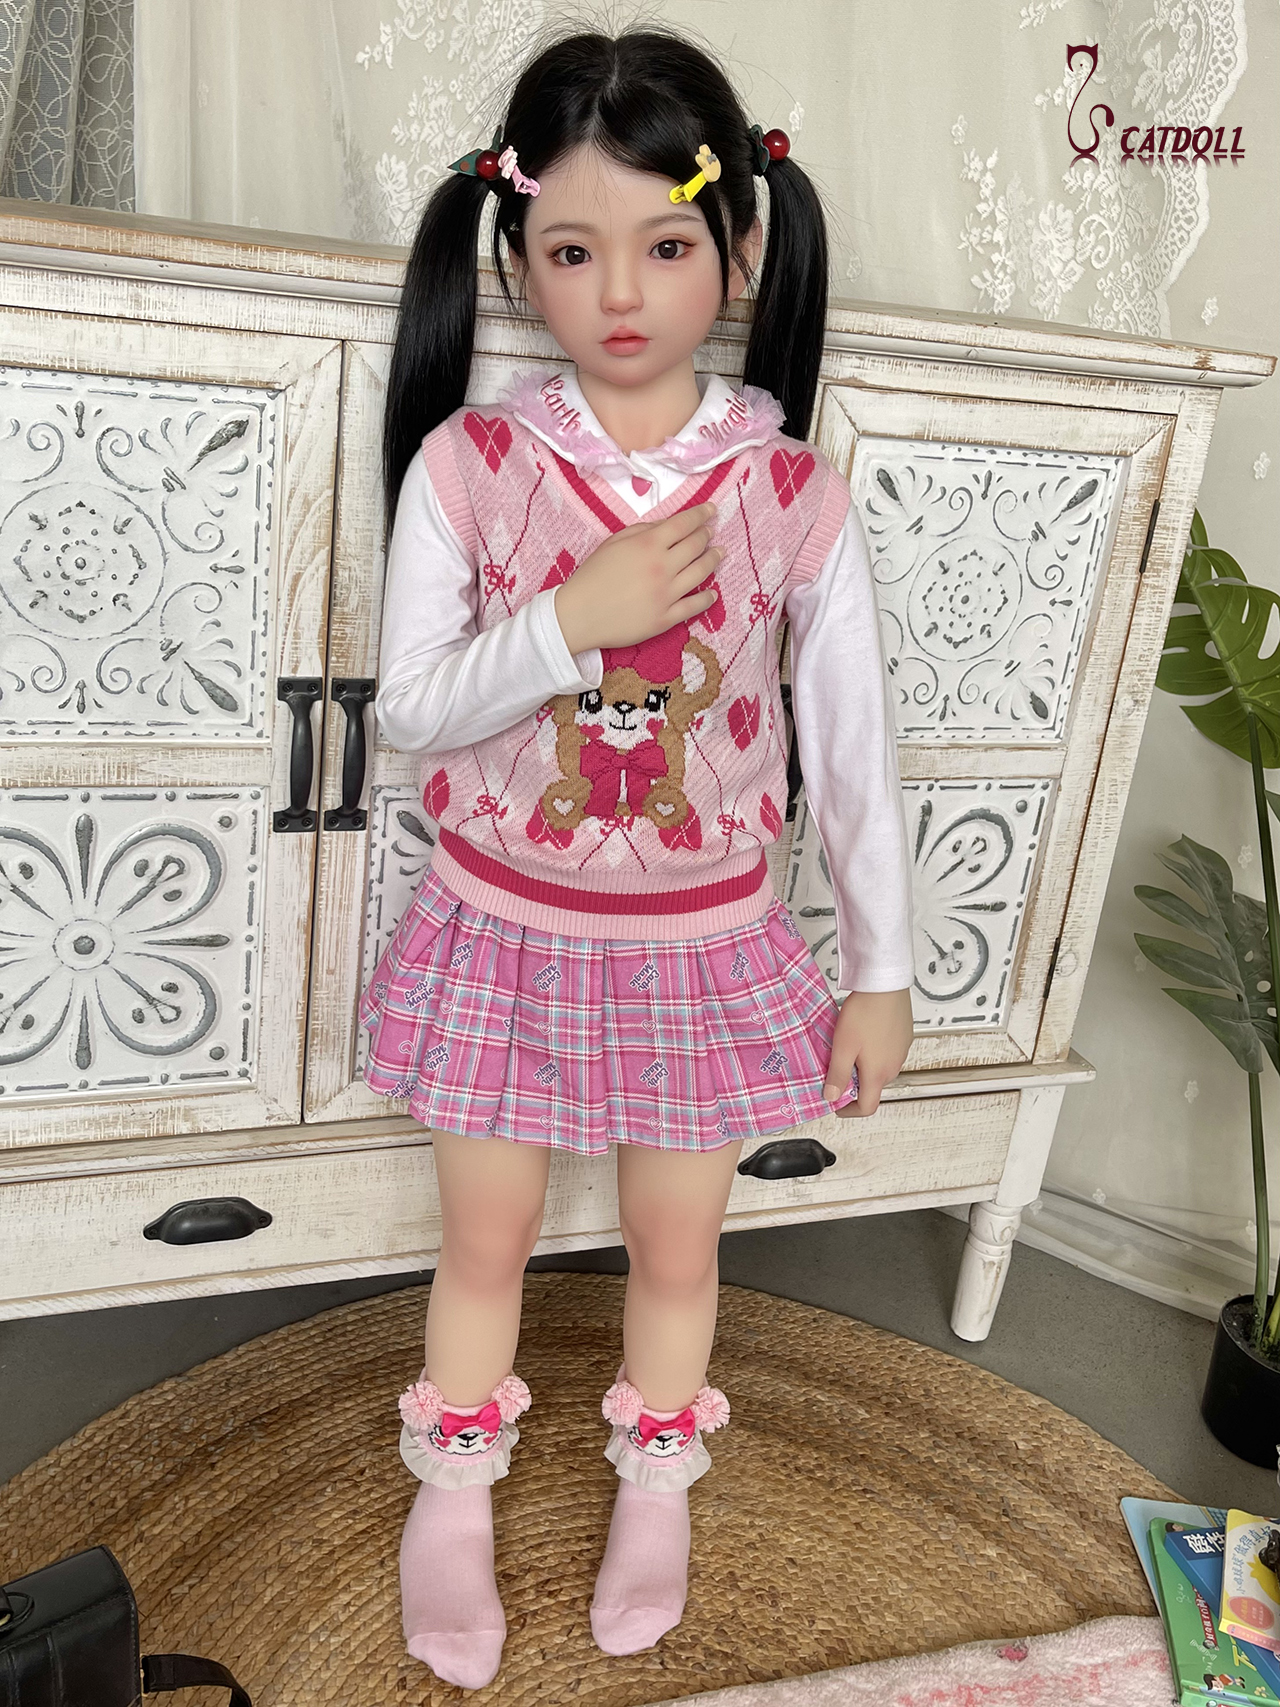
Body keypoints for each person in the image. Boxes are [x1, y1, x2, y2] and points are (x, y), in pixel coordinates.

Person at [358, 25, 915, 1691]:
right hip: (498, 927)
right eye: (571, 249)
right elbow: (413, 710)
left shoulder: (791, 492)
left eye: (666, 246)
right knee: (485, 1244)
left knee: (680, 1251)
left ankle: (656, 1486)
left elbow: (853, 745)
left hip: (707, 941)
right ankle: (453, 1495)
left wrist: (879, 970)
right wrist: (567, 623)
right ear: (513, 258)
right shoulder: (473, 469)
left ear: (738, 245)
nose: (618, 291)